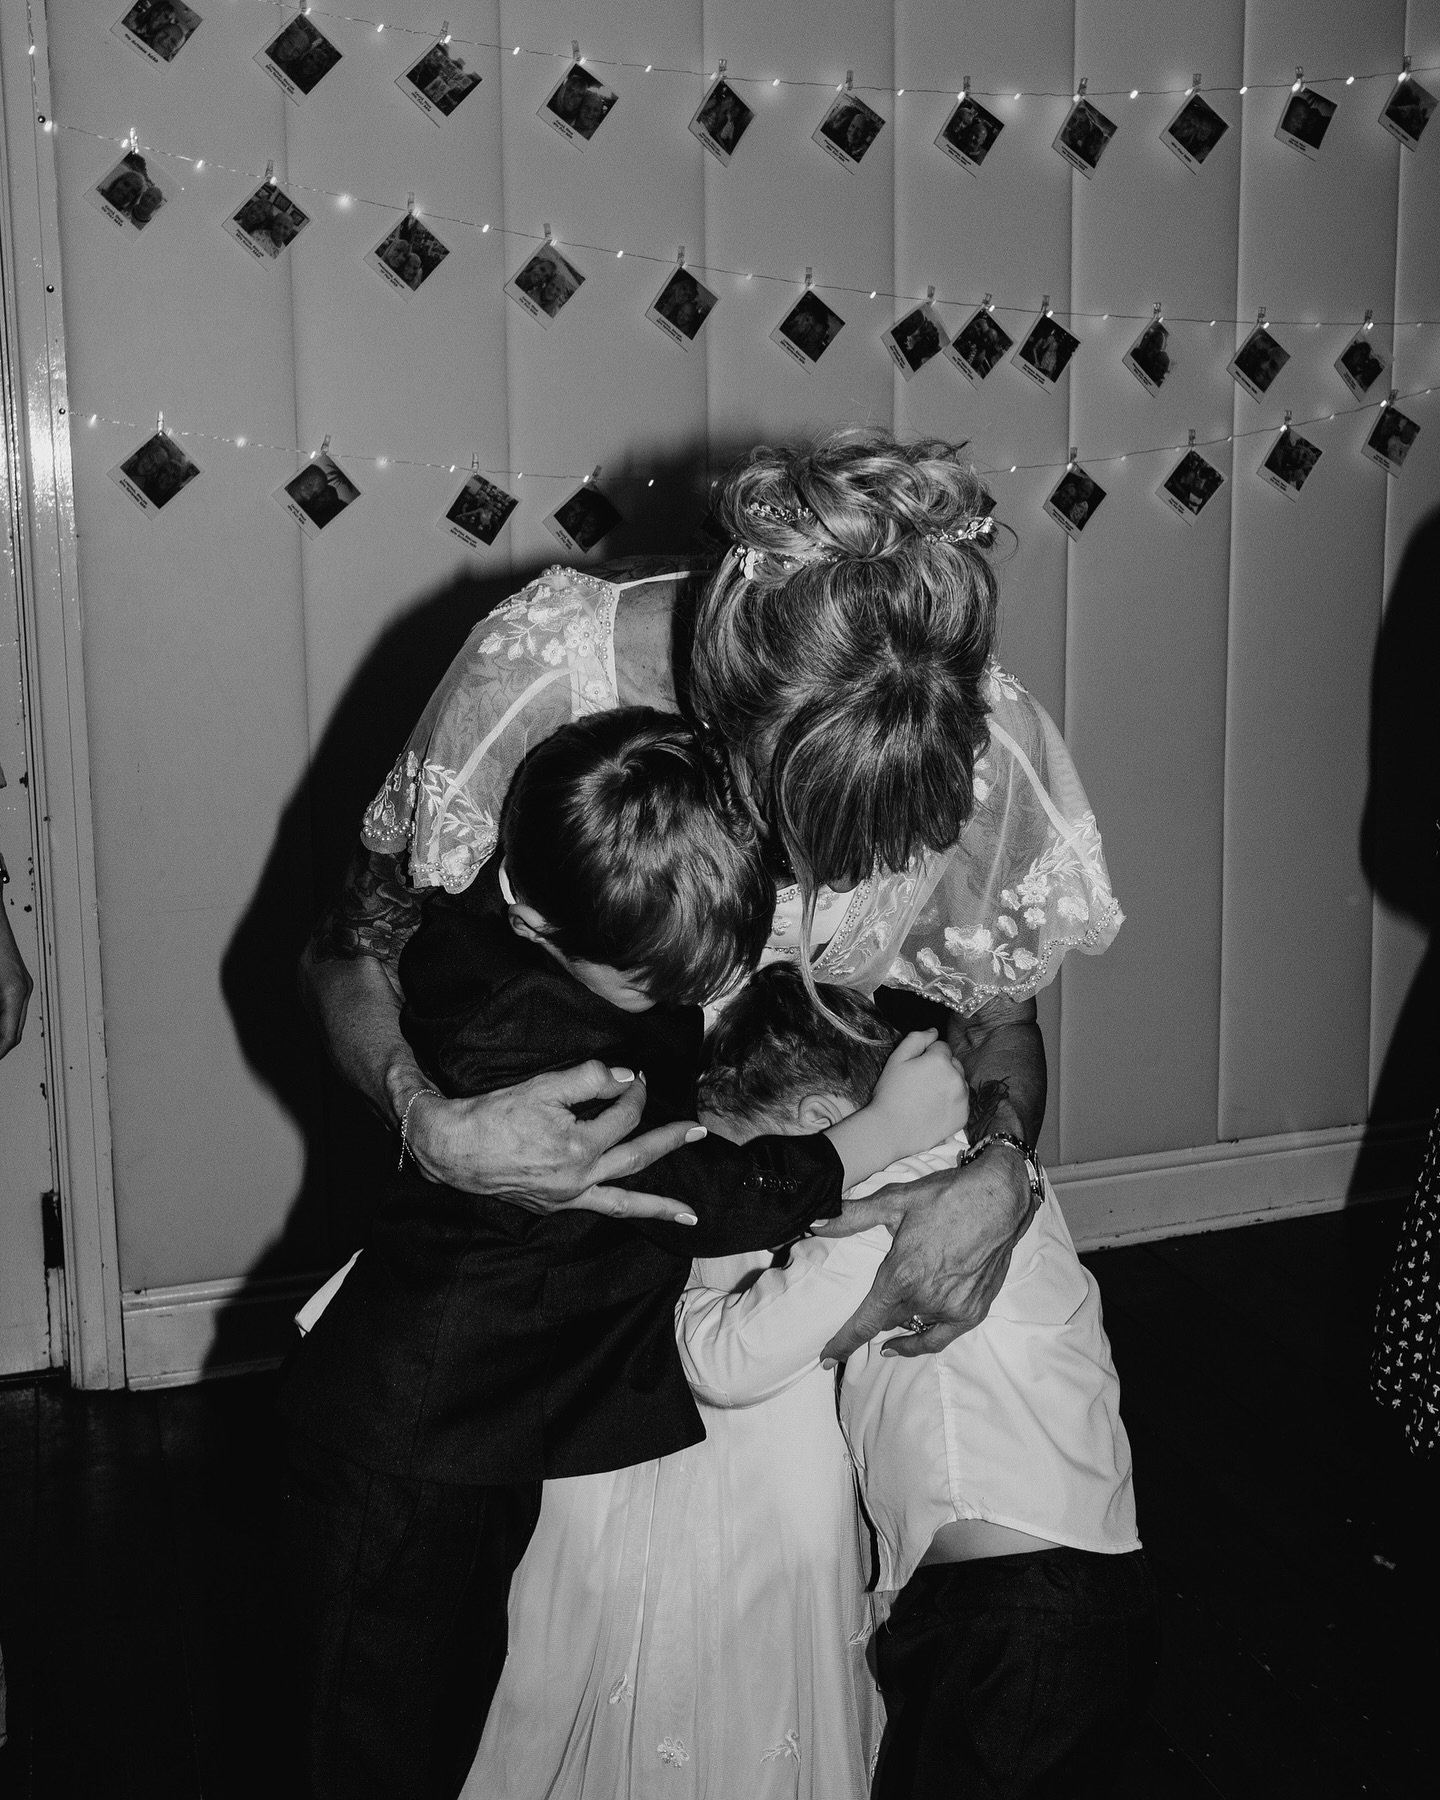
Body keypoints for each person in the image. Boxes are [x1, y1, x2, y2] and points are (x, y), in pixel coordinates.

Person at [299, 427, 1123, 1383]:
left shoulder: (988, 742)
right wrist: (428, 1124)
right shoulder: (545, 677)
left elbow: (1001, 1025)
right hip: (577, 1205)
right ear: (717, 707)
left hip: (845, 1142)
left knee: (1016, 1369)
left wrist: (1002, 1172)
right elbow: (348, 948)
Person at [282, 709, 969, 1800]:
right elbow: (699, 1197)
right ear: (542, 920)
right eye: (656, 988)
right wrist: (873, 1135)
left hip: (481, 1425)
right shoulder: (534, 1047)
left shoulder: (519, 933)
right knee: (372, 1735)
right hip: (411, 1450)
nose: (682, 1007)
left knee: (447, 1708)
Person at [689, 969, 1155, 1799]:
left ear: (817, 1126)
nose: (760, 1209)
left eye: (758, 1171)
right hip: (1047, 1594)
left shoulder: (880, 1203)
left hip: (1010, 1613)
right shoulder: (984, 1176)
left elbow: (728, 1363)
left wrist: (678, 1292)